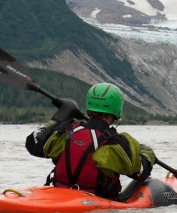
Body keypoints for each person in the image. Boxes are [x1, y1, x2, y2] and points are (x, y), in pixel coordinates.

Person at [25, 82, 156, 200]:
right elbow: (140, 172)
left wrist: (60, 117)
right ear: (116, 110)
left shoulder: (66, 131)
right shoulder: (116, 143)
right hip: (97, 203)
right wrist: (146, 152)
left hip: (60, 196)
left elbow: (33, 143)